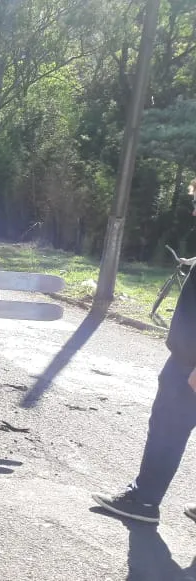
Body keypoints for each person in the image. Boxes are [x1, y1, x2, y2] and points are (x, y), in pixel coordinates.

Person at [91, 178, 196, 526]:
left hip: (190, 364)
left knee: (168, 427)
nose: (194, 210)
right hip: (186, 359)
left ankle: (145, 501)